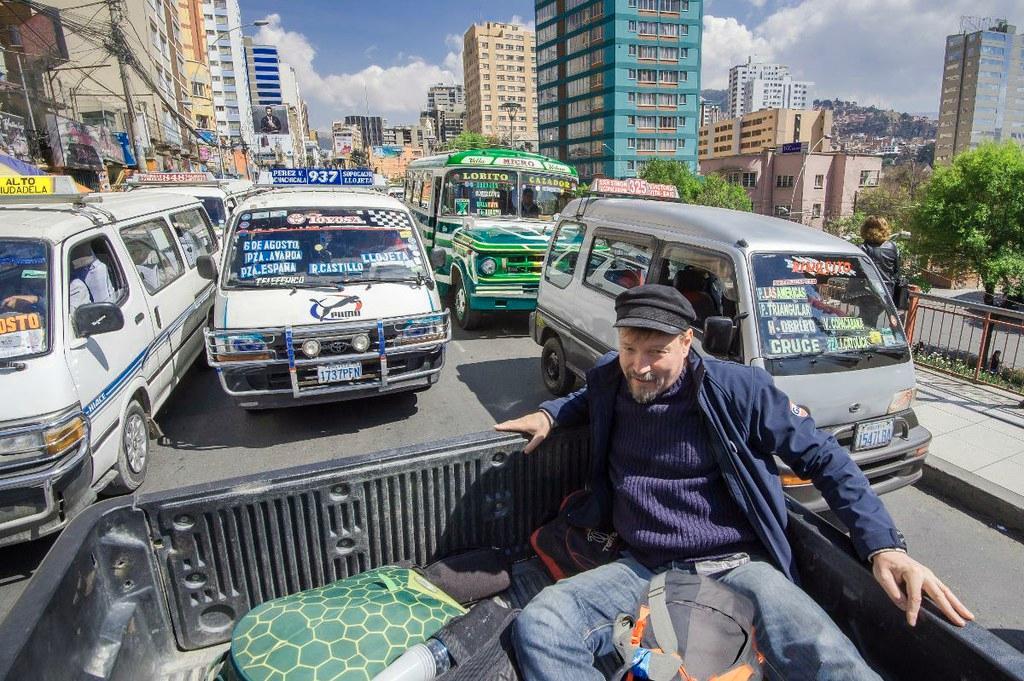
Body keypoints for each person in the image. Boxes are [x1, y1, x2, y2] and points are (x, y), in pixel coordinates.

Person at [496, 284, 973, 681]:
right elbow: (582, 398)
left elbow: (826, 458)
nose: (639, 366)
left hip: (738, 565)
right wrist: (549, 414)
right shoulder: (610, 377)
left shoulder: (740, 390)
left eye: (656, 352)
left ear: (687, 342)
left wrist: (883, 547)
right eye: (628, 349)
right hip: (642, 564)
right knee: (542, 622)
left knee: (832, 659)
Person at [860, 216, 901, 299]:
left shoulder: (862, 248)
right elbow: (896, 272)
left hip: (866, 293)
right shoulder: (892, 247)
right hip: (886, 293)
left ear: (865, 229)